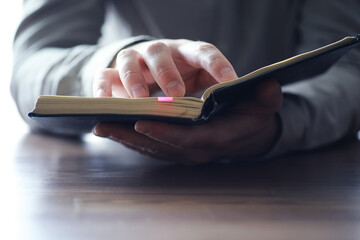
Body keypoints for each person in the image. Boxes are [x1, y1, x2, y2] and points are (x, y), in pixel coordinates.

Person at [11, 0, 360, 164]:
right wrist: (115, 63)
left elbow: (349, 63)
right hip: (130, 177)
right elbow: (31, 66)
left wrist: (282, 123)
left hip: (287, 176)